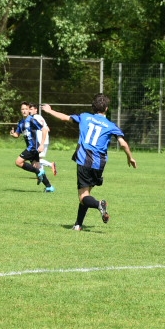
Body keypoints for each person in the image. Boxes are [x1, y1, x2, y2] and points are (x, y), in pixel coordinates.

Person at [42, 93, 137, 231]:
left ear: (93, 107)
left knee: (83, 197)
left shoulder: (85, 117)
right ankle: (78, 225)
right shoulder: (111, 125)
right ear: (106, 108)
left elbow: (64, 117)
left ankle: (99, 204)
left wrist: (50, 110)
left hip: (84, 161)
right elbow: (123, 144)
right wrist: (130, 157)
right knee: (86, 194)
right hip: (99, 164)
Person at [10, 101, 55, 192]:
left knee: (18, 162)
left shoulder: (32, 120)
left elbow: (45, 129)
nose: (24, 111)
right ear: (20, 110)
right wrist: (13, 134)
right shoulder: (21, 122)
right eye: (22, 109)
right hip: (32, 148)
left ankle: (39, 173)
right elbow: (17, 135)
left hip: (32, 148)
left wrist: (42, 145)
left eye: (26, 109)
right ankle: (49, 187)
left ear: (29, 110)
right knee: (36, 167)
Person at [28, 103, 56, 176]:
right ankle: (42, 174)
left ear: (36, 110)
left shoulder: (35, 117)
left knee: (34, 159)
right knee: (38, 158)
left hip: (41, 141)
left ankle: (50, 165)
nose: (29, 111)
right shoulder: (39, 117)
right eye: (29, 109)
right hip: (43, 140)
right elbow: (48, 129)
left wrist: (42, 143)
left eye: (31, 109)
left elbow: (46, 129)